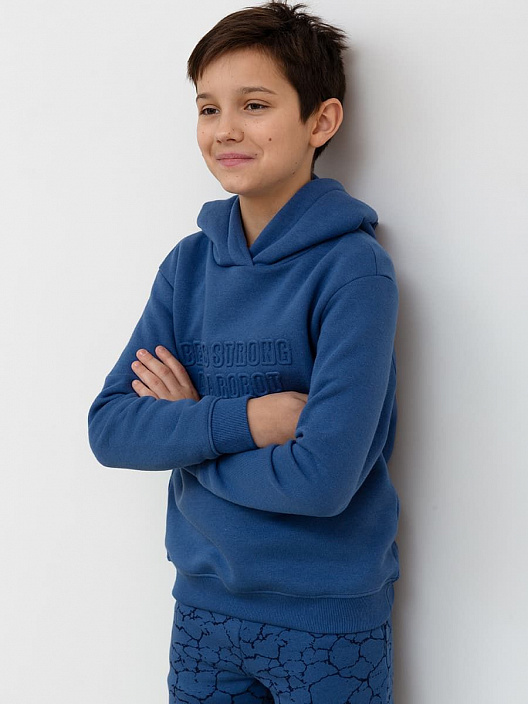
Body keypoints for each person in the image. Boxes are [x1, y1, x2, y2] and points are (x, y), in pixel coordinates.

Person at [87, 2, 400, 701]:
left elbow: (321, 482)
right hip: (201, 611)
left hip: (326, 624)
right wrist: (250, 421)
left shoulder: (354, 273)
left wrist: (188, 435)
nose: (224, 128)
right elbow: (110, 429)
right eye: (208, 108)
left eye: (254, 105)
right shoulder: (188, 266)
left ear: (320, 121)